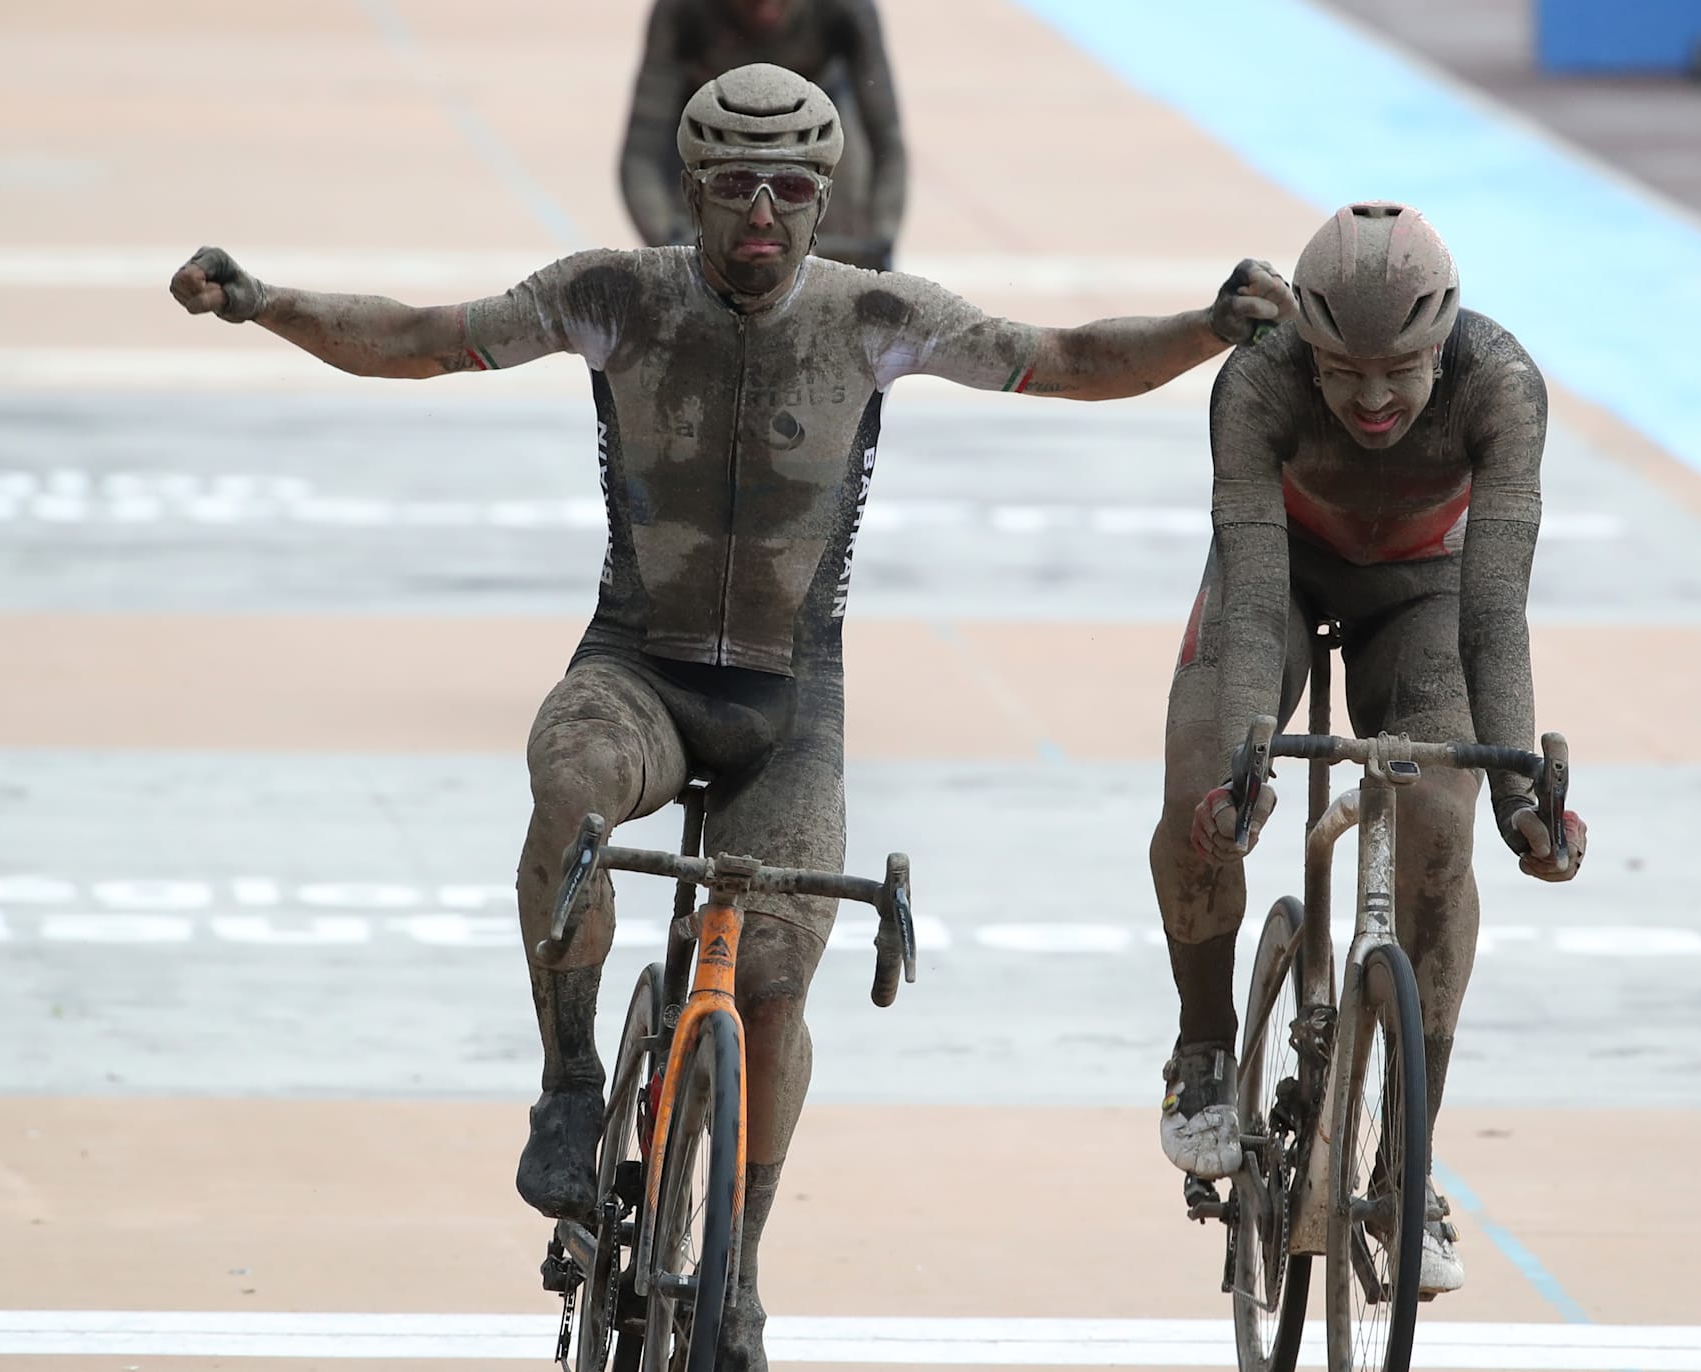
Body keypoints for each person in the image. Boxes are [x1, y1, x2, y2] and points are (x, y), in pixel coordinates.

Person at [171, 64, 1286, 1369]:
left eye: (791, 189)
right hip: (635, 666)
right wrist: (268, 304)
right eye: (734, 187)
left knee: (771, 987)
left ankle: (740, 1267)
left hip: (788, 701)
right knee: (573, 787)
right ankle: (573, 1087)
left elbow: (1070, 361)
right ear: (691, 190)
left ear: (826, 200)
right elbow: (420, 337)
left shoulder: (876, 313)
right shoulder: (616, 297)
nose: (761, 213)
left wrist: (1210, 325)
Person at [1148, 203, 1588, 1295]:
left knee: (1438, 840)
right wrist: (1243, 776)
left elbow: (1493, 610)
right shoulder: (1256, 378)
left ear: (1446, 342)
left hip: (1428, 596)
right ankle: (1203, 1049)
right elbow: (1249, 599)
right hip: (1280, 578)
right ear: (1305, 345)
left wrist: (1518, 796)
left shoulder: (1502, 385)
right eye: (1343, 372)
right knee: (1204, 782)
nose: (1374, 398)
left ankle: (1406, 1164)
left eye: (1400, 370)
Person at [621, 0, 905, 269]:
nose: (765, 12)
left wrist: (878, 236)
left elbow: (887, 141)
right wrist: (667, 238)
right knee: (694, 202)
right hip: (713, 140)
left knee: (843, 199)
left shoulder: (846, 10)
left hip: (817, 131)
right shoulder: (682, 11)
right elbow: (641, 154)